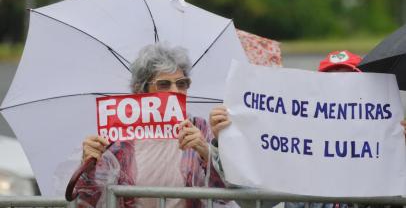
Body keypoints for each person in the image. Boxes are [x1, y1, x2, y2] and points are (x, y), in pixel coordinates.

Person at [210, 50, 405, 208]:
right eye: (332, 84)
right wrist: (227, 140)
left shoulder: (382, 146)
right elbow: (252, 201)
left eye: (349, 84)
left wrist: (401, 148)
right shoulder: (296, 149)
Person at [75, 42, 232, 208]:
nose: (176, 91)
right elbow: (87, 199)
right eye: (164, 84)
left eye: (181, 83)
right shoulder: (119, 135)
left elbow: (224, 196)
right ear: (141, 90)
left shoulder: (199, 128)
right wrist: (87, 165)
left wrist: (208, 151)